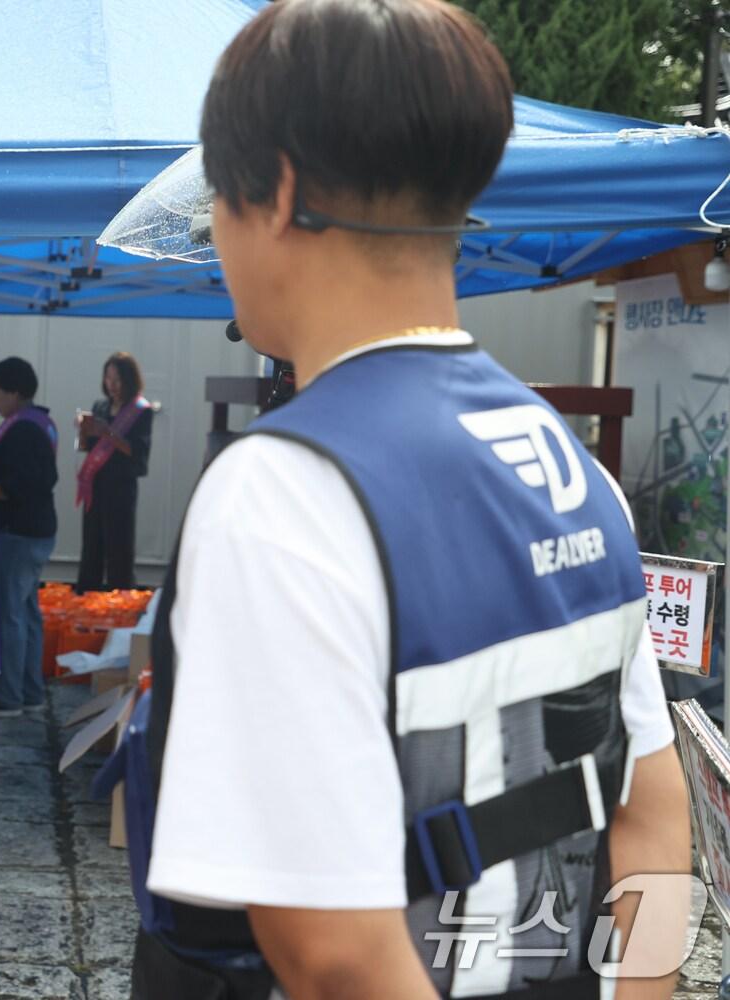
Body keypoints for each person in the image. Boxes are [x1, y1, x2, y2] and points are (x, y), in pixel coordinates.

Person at [132, 2, 689, 998]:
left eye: (216, 195)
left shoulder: (284, 488)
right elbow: (650, 807)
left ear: (281, 191)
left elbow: (331, 952)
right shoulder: (571, 468)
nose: (213, 233)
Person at [0, 357, 57, 718]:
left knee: (10, 616)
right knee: (27, 613)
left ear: (16, 392)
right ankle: (31, 691)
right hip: (34, 531)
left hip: (19, 533)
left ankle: (8, 697)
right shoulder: (38, 423)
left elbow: (20, 485)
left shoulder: (23, 430)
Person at [75, 352, 152, 591]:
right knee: (91, 546)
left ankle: (121, 601)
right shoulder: (100, 406)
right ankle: (87, 600)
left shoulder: (140, 410)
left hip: (121, 486)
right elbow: (87, 447)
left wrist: (108, 432)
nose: (112, 385)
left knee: (119, 548)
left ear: (130, 381)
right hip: (96, 484)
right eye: (108, 379)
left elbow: (137, 450)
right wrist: (83, 431)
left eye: (118, 379)